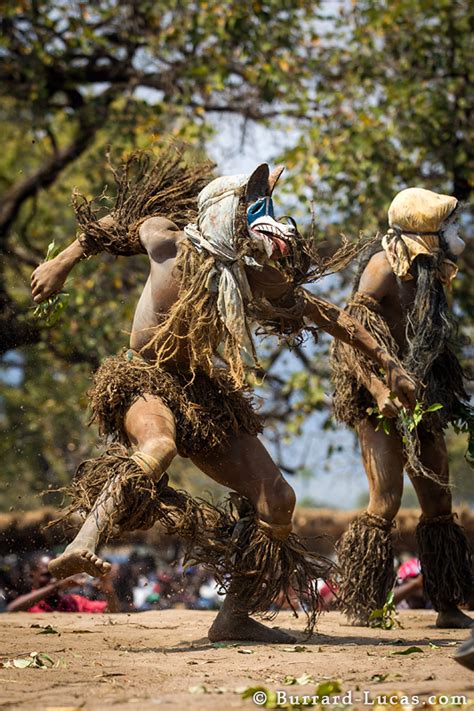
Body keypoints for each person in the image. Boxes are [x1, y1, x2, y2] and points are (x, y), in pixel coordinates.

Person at [31, 145, 415, 642]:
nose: (258, 227)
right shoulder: (166, 240)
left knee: (278, 498)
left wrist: (388, 363)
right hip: (143, 379)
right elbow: (112, 223)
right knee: (159, 447)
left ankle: (234, 615)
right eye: (248, 214)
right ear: (223, 216)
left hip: (204, 396)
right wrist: (62, 262)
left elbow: (328, 315)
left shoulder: (256, 278)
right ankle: (83, 542)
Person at [331, 187, 473, 628]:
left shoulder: (431, 274)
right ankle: (364, 605)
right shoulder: (382, 268)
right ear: (423, 229)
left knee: (438, 503)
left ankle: (448, 606)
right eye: (448, 226)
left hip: (422, 404)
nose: (456, 234)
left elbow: (434, 348)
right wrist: (377, 389)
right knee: (386, 502)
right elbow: (349, 335)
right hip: (381, 408)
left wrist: (445, 397)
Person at [6, 552, 119, 612]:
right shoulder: (28, 604)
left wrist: (107, 588)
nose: (53, 579)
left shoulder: (73, 602)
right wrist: (56, 586)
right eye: (46, 575)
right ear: (31, 576)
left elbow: (110, 611)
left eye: (56, 574)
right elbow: (11, 609)